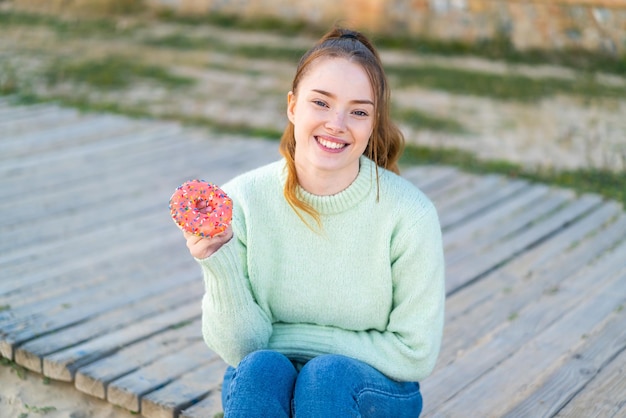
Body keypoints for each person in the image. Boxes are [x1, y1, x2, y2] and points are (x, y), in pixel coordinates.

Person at [183, 26, 445, 418]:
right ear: (292, 106)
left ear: (373, 123)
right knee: (259, 369)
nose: (337, 123)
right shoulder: (241, 201)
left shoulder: (409, 215)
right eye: (320, 103)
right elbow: (241, 348)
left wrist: (297, 343)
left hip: (373, 390)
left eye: (358, 111)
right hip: (268, 383)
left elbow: (415, 351)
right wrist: (216, 261)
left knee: (325, 379)